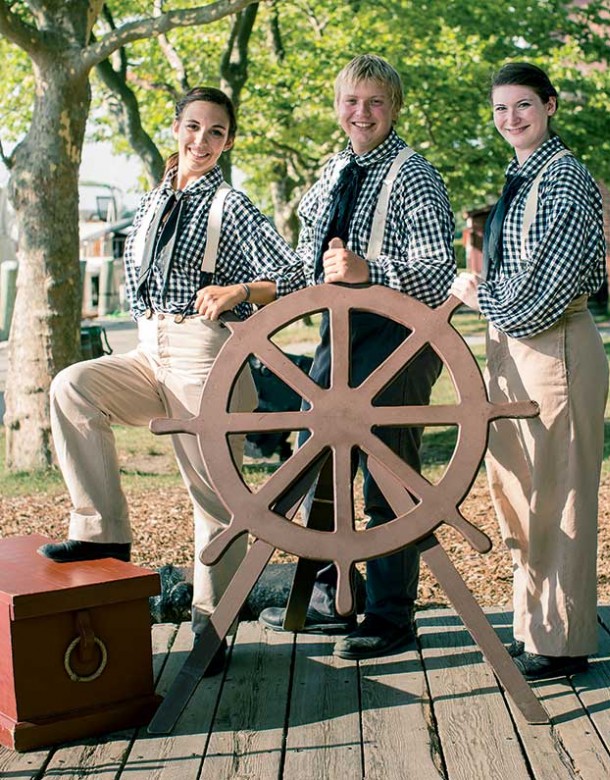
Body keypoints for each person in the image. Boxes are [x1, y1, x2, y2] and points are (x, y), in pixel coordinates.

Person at [40, 86, 302, 675]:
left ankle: (213, 627)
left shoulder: (230, 205)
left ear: (228, 140)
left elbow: (294, 272)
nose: (201, 141)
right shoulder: (154, 199)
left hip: (207, 354)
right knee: (72, 386)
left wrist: (240, 291)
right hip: (149, 349)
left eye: (215, 132)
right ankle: (102, 532)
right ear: (176, 128)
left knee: (212, 495)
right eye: (193, 127)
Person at [259, 54, 456, 660]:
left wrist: (371, 271)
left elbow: (437, 273)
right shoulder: (331, 173)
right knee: (316, 462)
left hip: (399, 339)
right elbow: (301, 266)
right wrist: (245, 291)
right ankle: (331, 597)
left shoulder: (413, 175)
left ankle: (392, 617)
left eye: (375, 102)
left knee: (387, 476)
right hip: (336, 336)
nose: (361, 113)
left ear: (394, 108)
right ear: (337, 106)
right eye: (352, 101)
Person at [450, 62, 609, 680]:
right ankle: (534, 624)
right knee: (518, 492)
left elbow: (542, 297)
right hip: (515, 347)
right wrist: (488, 297)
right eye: (500, 109)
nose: (510, 119)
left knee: (559, 495)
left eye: (523, 106)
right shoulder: (523, 174)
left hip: (555, 348)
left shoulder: (563, 180)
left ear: (550, 106)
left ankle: (564, 642)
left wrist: (478, 295)